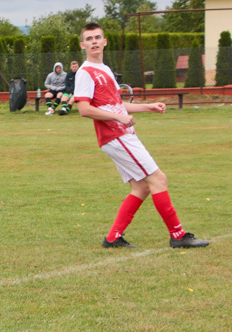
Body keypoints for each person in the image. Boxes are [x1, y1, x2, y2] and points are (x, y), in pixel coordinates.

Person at [74, 22, 209, 249]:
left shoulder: (105, 70)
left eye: (98, 37)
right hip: (115, 136)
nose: (94, 42)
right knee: (158, 179)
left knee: (141, 187)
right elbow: (84, 109)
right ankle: (178, 235)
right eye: (89, 39)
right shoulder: (85, 73)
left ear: (105, 42)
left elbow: (117, 104)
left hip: (121, 134)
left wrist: (148, 107)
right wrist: (119, 119)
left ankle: (113, 238)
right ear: (83, 45)